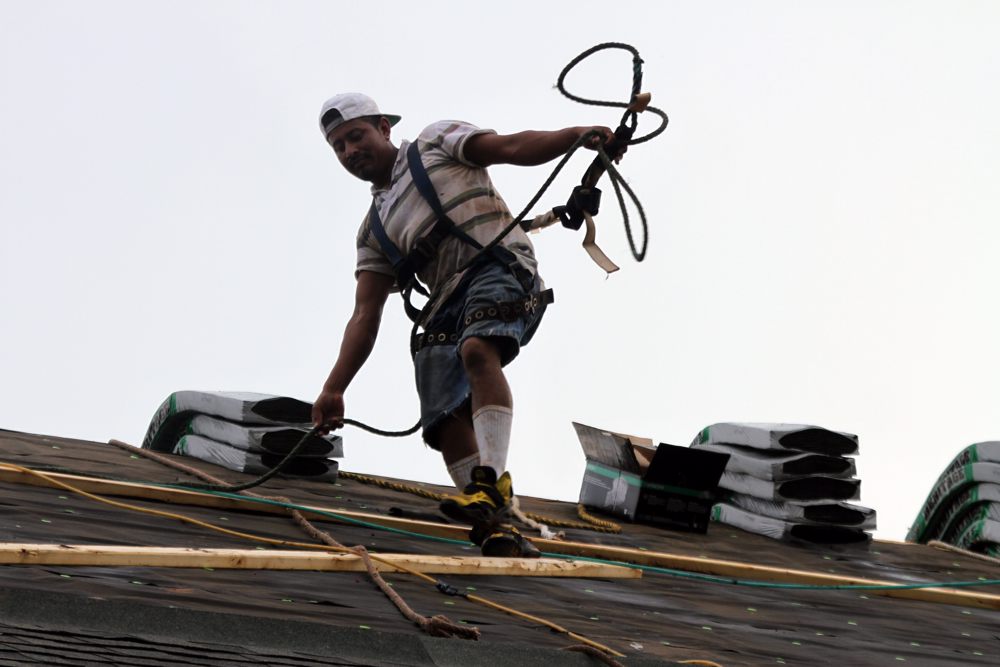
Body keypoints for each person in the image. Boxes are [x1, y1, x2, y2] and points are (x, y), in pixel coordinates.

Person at [311, 92, 617, 557]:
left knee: (477, 349)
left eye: (356, 136)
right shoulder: (373, 230)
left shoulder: (434, 143)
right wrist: (335, 387)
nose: (350, 151)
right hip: (445, 300)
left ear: (383, 128)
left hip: (498, 264)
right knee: (441, 409)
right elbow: (365, 313)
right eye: (339, 147)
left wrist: (575, 136)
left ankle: (491, 482)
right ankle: (493, 520)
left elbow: (512, 147)